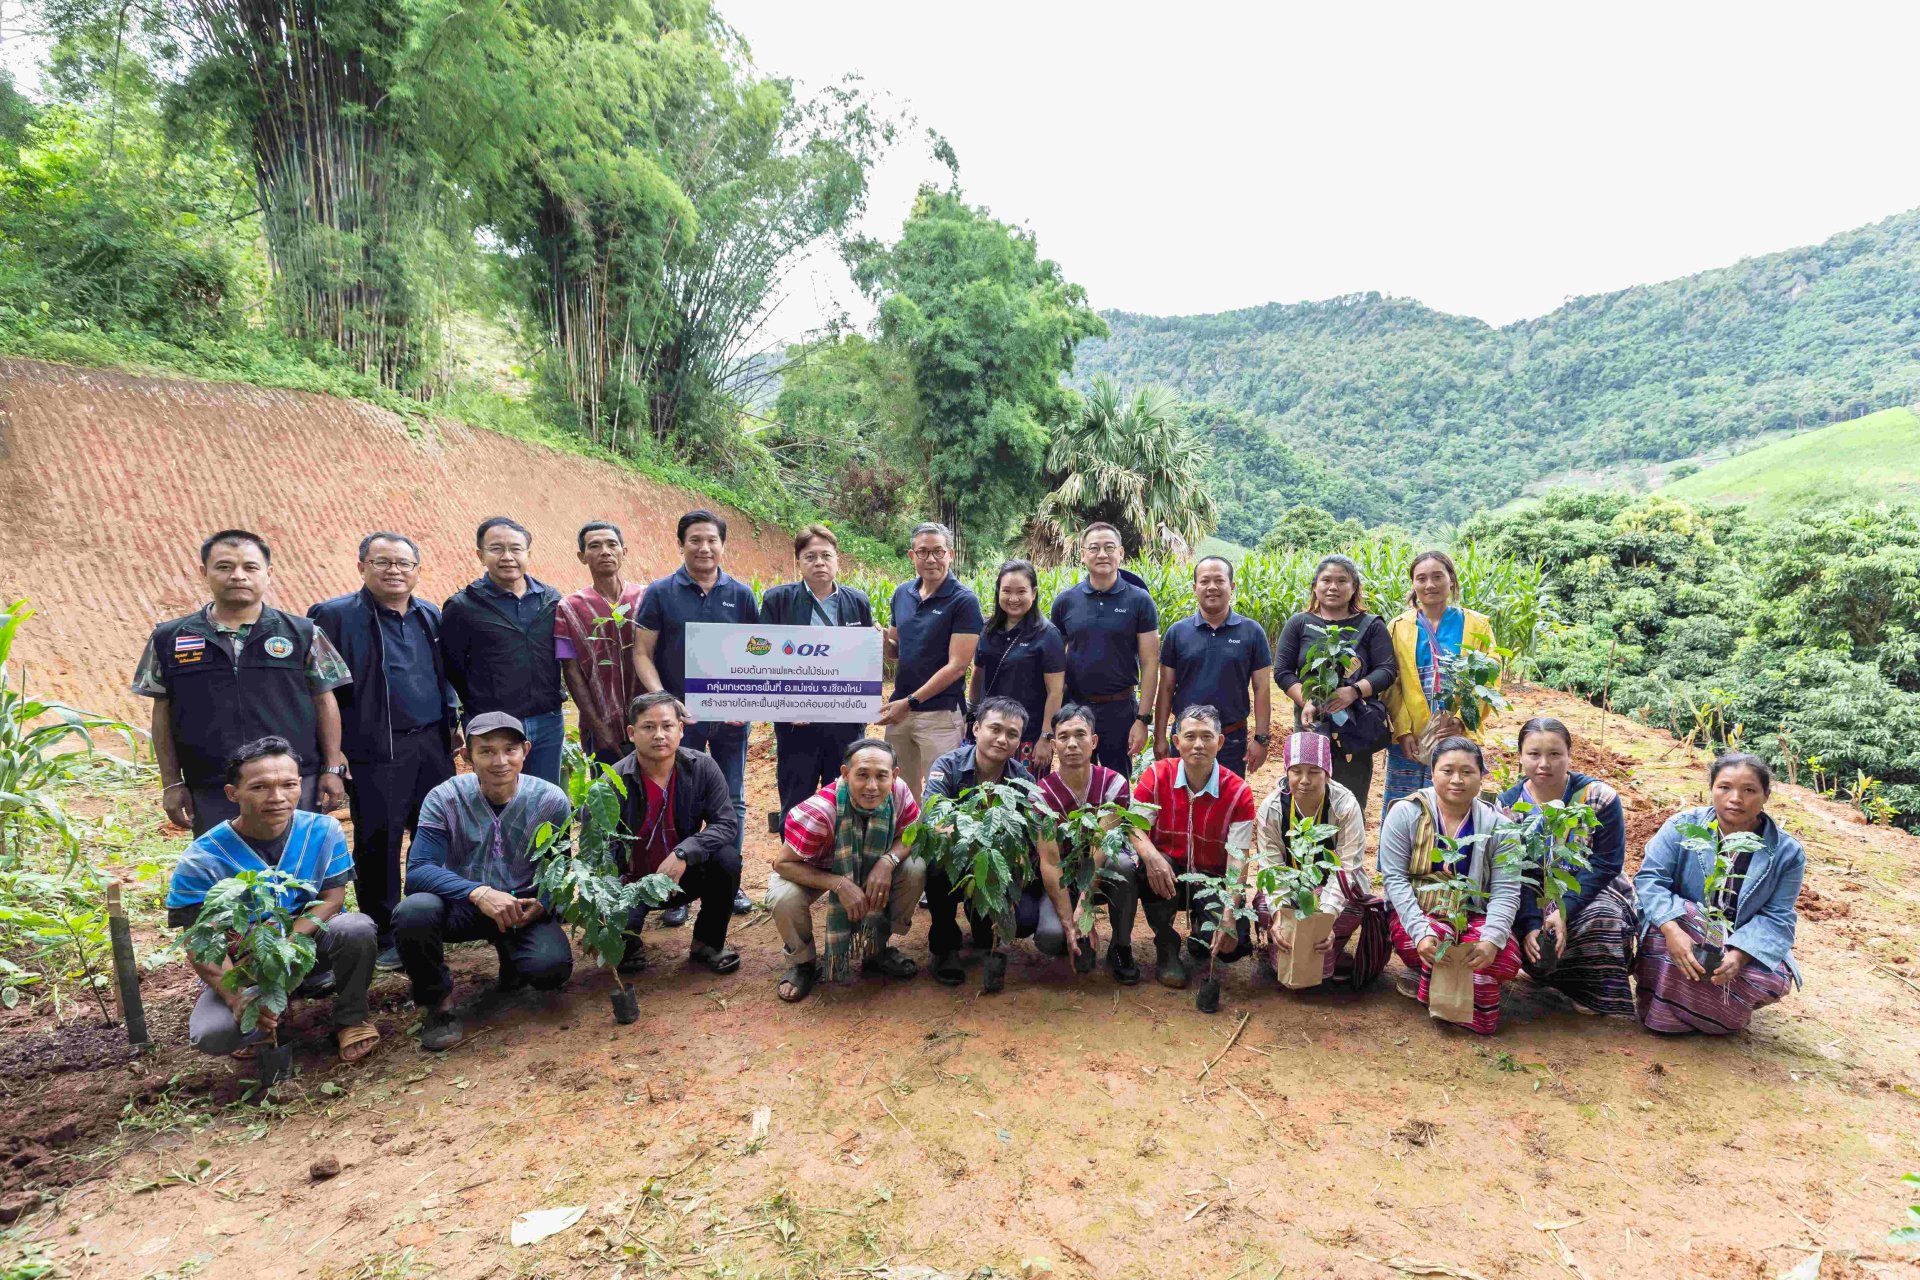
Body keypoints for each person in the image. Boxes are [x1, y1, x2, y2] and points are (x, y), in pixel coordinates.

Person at [166, 737, 379, 1065]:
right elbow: (200, 941)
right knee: (213, 1034)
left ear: (300, 785)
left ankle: (351, 1018)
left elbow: (333, 899)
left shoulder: (323, 830)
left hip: (307, 946)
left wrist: (284, 947)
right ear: (232, 793)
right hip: (243, 964)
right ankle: (264, 1022)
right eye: (259, 787)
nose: (277, 797)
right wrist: (237, 998)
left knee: (356, 928)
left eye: (289, 785)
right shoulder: (202, 858)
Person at [308, 532, 461, 971]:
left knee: (435, 830)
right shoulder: (334, 616)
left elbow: (442, 674)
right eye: (382, 562)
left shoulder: (428, 614)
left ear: (417, 570)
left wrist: (452, 721)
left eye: (403, 563)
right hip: (375, 747)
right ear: (362, 567)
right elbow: (320, 690)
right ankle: (387, 932)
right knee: (379, 840)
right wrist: (333, 754)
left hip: (431, 742)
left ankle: (428, 920)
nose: (394, 570)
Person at [134, 529, 351, 836]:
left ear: (268, 574)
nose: (238, 576)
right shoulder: (170, 638)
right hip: (213, 787)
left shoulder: (303, 633)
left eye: (250, 567)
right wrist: (171, 783)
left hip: (291, 784)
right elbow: (163, 712)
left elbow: (325, 700)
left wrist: (331, 768)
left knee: (296, 861)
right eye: (224, 566)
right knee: (224, 865)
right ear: (203, 572)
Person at [393, 712, 575, 1051]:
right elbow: (418, 870)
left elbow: (558, 867)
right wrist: (478, 892)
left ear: (525, 751)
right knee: (414, 911)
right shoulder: (444, 798)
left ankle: (511, 955)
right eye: (487, 751)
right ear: (467, 756)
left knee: (550, 969)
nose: (500, 761)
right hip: (462, 905)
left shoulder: (550, 800)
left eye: (510, 750)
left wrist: (544, 902)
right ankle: (439, 1004)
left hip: (521, 906)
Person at [635, 509, 759, 915]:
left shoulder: (741, 594)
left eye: (712, 540)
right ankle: (676, 890)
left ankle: (730, 882)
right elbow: (642, 653)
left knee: (732, 798)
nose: (704, 548)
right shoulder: (660, 592)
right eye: (695, 540)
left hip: (730, 718)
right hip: (676, 721)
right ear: (681, 544)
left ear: (722, 545)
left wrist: (747, 699)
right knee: (677, 798)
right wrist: (664, 701)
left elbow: (756, 653)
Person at [1633, 753, 1802, 1035]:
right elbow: (1650, 880)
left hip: (1738, 939)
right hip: (1682, 929)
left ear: (1766, 795)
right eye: (1724, 787)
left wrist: (1740, 955)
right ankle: (1673, 1013)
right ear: (1711, 789)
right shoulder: (1684, 827)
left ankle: (1711, 1013)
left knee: (1771, 979)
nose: (1736, 798)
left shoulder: (1787, 853)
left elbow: (1778, 916)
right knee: (1677, 924)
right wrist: (1671, 929)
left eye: (1749, 790)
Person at [1377, 737, 1524, 1035]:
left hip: (1473, 915)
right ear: (1432, 773)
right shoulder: (1406, 813)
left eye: (1467, 772)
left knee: (1504, 958)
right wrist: (1420, 931)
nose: (1457, 780)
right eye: (1447, 771)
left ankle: (1436, 984)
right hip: (1421, 914)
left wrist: (1492, 939)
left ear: (1481, 776)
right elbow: (1395, 879)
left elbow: (1506, 890)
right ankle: (1443, 985)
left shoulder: (1500, 826)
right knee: (1437, 945)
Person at [768, 739, 925, 1003]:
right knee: (784, 897)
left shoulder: (899, 792)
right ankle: (803, 963)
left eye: (881, 776)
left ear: (894, 775)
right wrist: (839, 883)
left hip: (871, 865)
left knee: (915, 868)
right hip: (815, 869)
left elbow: (912, 833)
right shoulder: (820, 813)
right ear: (845, 773)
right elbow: (782, 864)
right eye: (862, 775)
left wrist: (887, 862)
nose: (872, 786)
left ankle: (875, 949)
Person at [1498, 718, 1636, 1017]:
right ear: (1520, 756)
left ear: (1569, 755)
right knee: (1503, 921)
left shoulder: (1597, 798)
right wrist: (1530, 923)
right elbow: (1514, 871)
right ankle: (1542, 973)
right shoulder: (1508, 806)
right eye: (1534, 754)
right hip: (1531, 894)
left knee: (1602, 917)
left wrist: (1563, 908)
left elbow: (1605, 863)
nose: (1544, 764)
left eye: (1555, 754)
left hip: (1591, 890)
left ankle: (1590, 991)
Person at [608, 692, 743, 976]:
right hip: (630, 884)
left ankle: (706, 943)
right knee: (619, 942)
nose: (659, 735)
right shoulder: (612, 781)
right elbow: (599, 847)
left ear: (680, 729)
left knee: (727, 860)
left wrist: (684, 853)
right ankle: (628, 942)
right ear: (632, 733)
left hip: (681, 877)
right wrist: (615, 887)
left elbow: (726, 823)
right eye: (648, 727)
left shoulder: (701, 766)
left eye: (667, 726)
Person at [1126, 705, 1259, 989]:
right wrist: (1151, 857)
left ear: (1220, 742)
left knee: (1233, 946)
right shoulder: (1156, 775)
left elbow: (1238, 859)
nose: (1198, 744)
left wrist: (1228, 915)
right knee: (1150, 866)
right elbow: (1134, 827)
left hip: (1212, 879)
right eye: (1190, 736)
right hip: (1169, 874)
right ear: (1176, 742)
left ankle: (1202, 929)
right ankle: (1166, 944)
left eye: (1207, 736)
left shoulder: (1238, 792)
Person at [761, 524, 877, 818]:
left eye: (826, 556)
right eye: (810, 557)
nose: (819, 563)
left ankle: (838, 848)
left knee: (843, 798)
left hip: (845, 721)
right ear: (798, 562)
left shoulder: (858, 602)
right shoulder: (778, 600)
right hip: (797, 723)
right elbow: (764, 658)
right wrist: (785, 706)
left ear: (838, 560)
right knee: (795, 799)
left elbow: (864, 662)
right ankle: (792, 848)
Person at [440, 517, 567, 784]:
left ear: (528, 553)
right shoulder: (463, 606)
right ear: (480, 555)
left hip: (547, 721)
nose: (507, 557)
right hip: (492, 725)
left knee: (546, 794)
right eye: (496, 548)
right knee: (498, 795)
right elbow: (451, 668)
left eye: (515, 549)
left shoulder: (551, 599)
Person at [921, 697, 1035, 990]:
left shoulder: (1021, 778)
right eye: (995, 729)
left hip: (996, 862)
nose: (1002, 739)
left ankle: (982, 919)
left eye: (1012, 734)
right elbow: (934, 819)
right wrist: (972, 843)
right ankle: (944, 944)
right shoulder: (948, 766)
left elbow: (1028, 834)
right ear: (976, 729)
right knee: (936, 860)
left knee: (994, 934)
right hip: (955, 854)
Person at [1382, 550, 1498, 819]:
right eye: (1421, 578)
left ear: (1451, 580)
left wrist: (1461, 721)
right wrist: (1403, 731)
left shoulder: (1477, 624)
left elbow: (1489, 677)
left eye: (1437, 577)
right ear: (1413, 584)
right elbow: (1391, 683)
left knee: (1453, 806)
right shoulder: (1398, 627)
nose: (1429, 584)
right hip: (1410, 740)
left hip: (1457, 735)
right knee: (1404, 809)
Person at [1272, 554, 1397, 803]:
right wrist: (1308, 701)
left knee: (1350, 798)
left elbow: (1387, 669)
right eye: (1326, 580)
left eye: (1342, 581)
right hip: (1311, 722)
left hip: (1355, 725)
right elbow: (1283, 671)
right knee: (1307, 792)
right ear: (1315, 586)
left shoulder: (1371, 625)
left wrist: (1353, 692)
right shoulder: (1299, 623)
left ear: (1354, 587)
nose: (1333, 587)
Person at [1031, 703, 1142, 984]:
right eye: (1063, 736)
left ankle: (1121, 946)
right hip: (1064, 873)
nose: (1072, 744)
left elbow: (1100, 849)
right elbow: (1050, 862)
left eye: (1080, 735)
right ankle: (1073, 941)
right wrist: (1071, 923)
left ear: (1093, 742)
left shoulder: (1114, 784)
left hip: (1101, 868)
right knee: (1050, 937)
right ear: (1054, 745)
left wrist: (1085, 907)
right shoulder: (1040, 794)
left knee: (1124, 865)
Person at [1248, 732, 1368, 985]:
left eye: (1314, 772)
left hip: (1331, 888)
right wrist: (1280, 915)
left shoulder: (1345, 806)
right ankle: (1280, 944)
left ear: (1327, 774)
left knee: (1353, 908)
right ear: (1286, 773)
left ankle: (1332, 948)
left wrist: (1325, 920)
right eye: (1296, 771)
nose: (1304, 780)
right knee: (1265, 908)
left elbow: (1347, 868)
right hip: (1292, 889)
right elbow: (1272, 867)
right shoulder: (1272, 808)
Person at [877, 522, 983, 798]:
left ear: (950, 554)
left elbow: (957, 666)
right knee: (901, 794)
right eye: (923, 552)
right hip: (900, 711)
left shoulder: (964, 601)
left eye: (938, 551)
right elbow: (895, 651)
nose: (931, 559)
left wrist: (910, 701)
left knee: (942, 798)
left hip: (940, 715)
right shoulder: (902, 593)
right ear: (912, 556)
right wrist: (882, 642)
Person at [1050, 523, 1160, 776]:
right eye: (1094, 548)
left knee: (1116, 784)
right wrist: (1053, 717)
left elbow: (1150, 663)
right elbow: (1054, 665)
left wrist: (1142, 720)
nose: (1102, 554)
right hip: (1075, 708)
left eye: (1109, 548)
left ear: (1120, 553)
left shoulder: (1139, 601)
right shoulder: (1066, 602)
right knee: (1075, 777)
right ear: (1082, 554)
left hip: (1119, 709)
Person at [1154, 556, 1272, 780]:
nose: (1212, 587)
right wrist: (1159, 736)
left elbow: (1262, 689)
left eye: (1219, 580)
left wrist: (1261, 739)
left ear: (1232, 586)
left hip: (1230, 739)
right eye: (1204, 581)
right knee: (1181, 796)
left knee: (1228, 798)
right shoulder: (1177, 633)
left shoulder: (1252, 632)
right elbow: (1166, 688)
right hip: (1185, 738)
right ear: (1194, 588)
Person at [557, 521, 646, 767]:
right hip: (602, 724)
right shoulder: (569, 608)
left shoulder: (647, 597)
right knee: (608, 786)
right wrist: (598, 726)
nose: (605, 551)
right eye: (594, 546)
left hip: (650, 721)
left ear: (624, 552)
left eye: (612, 544)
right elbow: (571, 670)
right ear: (582, 556)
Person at [969, 559, 1066, 773]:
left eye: (1021, 591)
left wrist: (1046, 737)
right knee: (985, 788)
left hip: (1027, 736)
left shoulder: (1047, 635)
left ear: (1034, 592)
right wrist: (971, 713)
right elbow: (978, 672)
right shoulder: (987, 629)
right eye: (1007, 591)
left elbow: (1055, 691)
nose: (1013, 599)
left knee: (1024, 791)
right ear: (998, 591)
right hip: (989, 730)